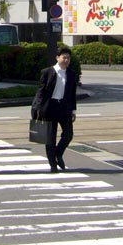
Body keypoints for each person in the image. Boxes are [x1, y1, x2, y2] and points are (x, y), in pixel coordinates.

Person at [32, 45, 78, 173]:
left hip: (64, 107)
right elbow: (41, 92)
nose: (66, 60)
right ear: (57, 58)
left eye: (68, 58)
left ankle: (58, 153)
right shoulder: (47, 72)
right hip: (50, 107)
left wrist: (73, 110)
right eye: (64, 57)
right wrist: (39, 107)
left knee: (68, 134)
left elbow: (72, 93)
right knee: (50, 138)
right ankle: (52, 164)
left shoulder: (71, 73)